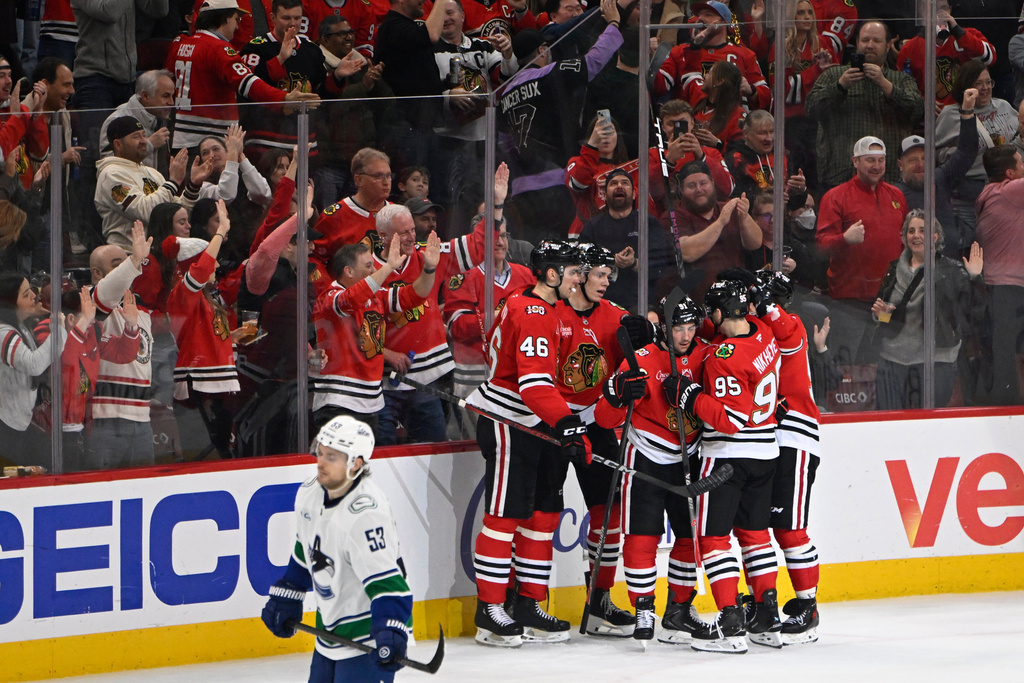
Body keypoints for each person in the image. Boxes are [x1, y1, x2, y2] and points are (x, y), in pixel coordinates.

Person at [466, 240, 588, 647]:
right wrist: (568, 422)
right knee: (504, 517)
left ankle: (528, 604)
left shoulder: (535, 305)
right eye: (572, 272)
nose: (579, 278)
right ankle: (489, 610)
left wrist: (561, 422)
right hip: (509, 420)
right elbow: (533, 384)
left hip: (535, 420)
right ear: (551, 275)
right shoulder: (534, 312)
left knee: (543, 515)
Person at [663, 278, 783, 653]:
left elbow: (729, 419)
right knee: (756, 535)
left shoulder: (722, 358)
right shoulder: (764, 334)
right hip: (767, 453)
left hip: (729, 458)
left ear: (718, 313)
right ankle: (766, 618)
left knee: (714, 539)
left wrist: (689, 395)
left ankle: (730, 623)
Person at [593, 293, 711, 644]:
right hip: (645, 458)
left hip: (690, 457)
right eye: (679, 328)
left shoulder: (706, 354)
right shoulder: (643, 358)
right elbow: (603, 417)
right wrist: (617, 393)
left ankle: (678, 608)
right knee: (642, 537)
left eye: (691, 327)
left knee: (690, 538)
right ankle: (643, 606)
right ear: (664, 326)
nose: (686, 336)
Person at [261, 416, 413, 682]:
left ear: (355, 463)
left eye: (331, 457)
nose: (320, 462)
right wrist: (290, 591)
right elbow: (305, 550)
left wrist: (391, 628)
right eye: (320, 453)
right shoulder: (309, 494)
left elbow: (389, 584)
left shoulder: (366, 514)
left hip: (367, 638)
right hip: (329, 633)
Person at [376, 164, 509, 445]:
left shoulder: (429, 254)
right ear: (383, 237)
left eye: (413, 229)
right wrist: (385, 353)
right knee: (382, 459)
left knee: (433, 451)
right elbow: (354, 323)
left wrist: (496, 205)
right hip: (381, 381)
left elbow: (478, 247)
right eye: (404, 232)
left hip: (428, 379)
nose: (413, 237)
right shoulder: (366, 268)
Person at [552, 243, 637, 637]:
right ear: (580, 273)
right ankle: (527, 600)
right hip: (550, 425)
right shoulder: (552, 313)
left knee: (610, 510)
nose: (606, 282)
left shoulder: (616, 317)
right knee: (539, 511)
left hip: (597, 425)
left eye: (609, 276)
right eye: (600, 274)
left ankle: (599, 598)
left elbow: (640, 361)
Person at [498, 0, 623, 244]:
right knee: (564, 251)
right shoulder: (548, 73)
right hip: (556, 181)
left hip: (522, 188)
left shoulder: (504, 95)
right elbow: (591, 63)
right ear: (542, 50)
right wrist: (614, 24)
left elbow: (505, 144)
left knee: (539, 250)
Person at [749, 270, 822, 644]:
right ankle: (762, 605)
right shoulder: (751, 334)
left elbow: (785, 330)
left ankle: (807, 608)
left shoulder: (790, 325)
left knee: (789, 528)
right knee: (754, 528)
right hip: (760, 440)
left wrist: (766, 304)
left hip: (795, 436)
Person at [312, 233, 440, 435]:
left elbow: (414, 296)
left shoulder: (376, 296)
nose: (374, 271)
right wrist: (389, 267)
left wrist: (429, 269)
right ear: (349, 271)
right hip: (339, 401)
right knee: (343, 465)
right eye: (368, 266)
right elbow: (352, 299)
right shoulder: (329, 297)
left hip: (372, 402)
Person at [165, 0, 319, 152]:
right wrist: (284, 98)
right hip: (211, 140)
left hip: (180, 136)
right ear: (223, 18)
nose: (238, 26)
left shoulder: (180, 43)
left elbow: (168, 80)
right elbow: (248, 84)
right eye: (236, 19)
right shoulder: (218, 49)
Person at [871, 210, 985, 410]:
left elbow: (973, 314)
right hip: (893, 361)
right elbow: (882, 318)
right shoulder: (893, 268)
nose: (916, 235)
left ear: (936, 236)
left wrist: (975, 278)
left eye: (923, 231)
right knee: (891, 426)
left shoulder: (953, 271)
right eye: (911, 231)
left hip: (936, 363)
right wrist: (882, 315)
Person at [815, 136, 908, 367]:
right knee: (846, 362)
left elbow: (905, 242)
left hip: (886, 300)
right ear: (855, 161)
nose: (876, 166)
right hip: (850, 301)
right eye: (870, 160)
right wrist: (844, 239)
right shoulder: (835, 196)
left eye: (881, 160)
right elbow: (821, 246)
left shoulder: (896, 196)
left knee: (880, 358)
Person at [805, 20, 923, 191]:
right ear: (857, 43)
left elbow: (917, 110)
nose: (870, 45)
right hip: (840, 176)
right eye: (865, 40)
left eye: (877, 41)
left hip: (889, 178)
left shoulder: (901, 79)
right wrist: (840, 86)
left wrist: (885, 85)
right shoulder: (834, 75)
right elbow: (811, 109)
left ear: (888, 45)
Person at [164, 199, 240, 456]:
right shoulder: (181, 294)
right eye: (211, 260)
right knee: (204, 458)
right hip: (198, 389)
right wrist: (220, 232)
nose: (217, 266)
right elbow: (200, 270)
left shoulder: (208, 298)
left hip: (217, 387)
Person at [84, 223, 160, 470]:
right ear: (97, 273)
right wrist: (135, 260)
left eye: (128, 262)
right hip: (106, 420)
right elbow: (107, 293)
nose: (131, 270)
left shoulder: (140, 312)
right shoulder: (89, 303)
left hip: (142, 418)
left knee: (141, 496)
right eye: (118, 264)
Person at [240, 0, 350, 157]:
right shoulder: (255, 47)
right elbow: (249, 88)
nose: (292, 24)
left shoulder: (311, 49)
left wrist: (337, 76)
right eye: (286, 18)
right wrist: (280, 59)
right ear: (272, 18)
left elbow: (320, 96)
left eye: (297, 18)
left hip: (305, 143)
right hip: (263, 144)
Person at [935, 62, 1017, 257]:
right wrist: (962, 152)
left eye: (988, 82)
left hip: (1004, 187)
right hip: (968, 190)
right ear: (965, 85)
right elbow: (937, 154)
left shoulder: (1004, 106)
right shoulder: (951, 114)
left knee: (1000, 244)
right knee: (970, 247)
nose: (985, 88)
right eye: (978, 83)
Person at [443, 221, 533, 398]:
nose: (500, 242)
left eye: (504, 236)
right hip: (474, 374)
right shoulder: (462, 278)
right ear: (478, 243)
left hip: (516, 373)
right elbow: (457, 327)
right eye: (493, 237)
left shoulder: (525, 275)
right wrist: (501, 316)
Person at [95, 116, 207, 249]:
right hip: (128, 255)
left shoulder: (152, 173)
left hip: (159, 254)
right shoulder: (111, 175)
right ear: (118, 145)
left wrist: (193, 186)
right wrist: (173, 182)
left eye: (144, 135)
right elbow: (147, 213)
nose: (144, 141)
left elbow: (176, 214)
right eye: (136, 137)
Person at [577, 168, 679, 314]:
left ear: (634, 194)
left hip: (642, 305)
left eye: (625, 183)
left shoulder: (649, 223)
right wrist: (610, 261)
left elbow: (662, 267)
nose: (619, 186)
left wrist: (634, 263)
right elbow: (581, 266)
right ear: (605, 195)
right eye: (613, 183)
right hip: (601, 305)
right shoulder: (592, 227)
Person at [894, 88, 979, 259]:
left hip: (948, 266)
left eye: (925, 158)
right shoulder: (893, 194)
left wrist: (967, 113)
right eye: (912, 160)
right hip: (912, 270)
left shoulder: (940, 178)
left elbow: (967, 151)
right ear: (900, 165)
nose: (920, 164)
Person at [972, 145, 1024, 405]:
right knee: (1003, 352)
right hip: (1007, 288)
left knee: (1002, 349)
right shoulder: (1010, 191)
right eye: (1021, 165)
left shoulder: (991, 192)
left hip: (1000, 287)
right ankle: (1005, 408)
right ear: (1010, 173)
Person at [653, 0, 771, 112]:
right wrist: (649, 58)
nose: (700, 19)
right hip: (689, 123)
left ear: (724, 22)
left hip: (730, 124)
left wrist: (751, 90)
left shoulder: (745, 55)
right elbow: (658, 88)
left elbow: (766, 97)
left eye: (708, 15)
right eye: (699, 15)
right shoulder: (679, 51)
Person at [0, 271, 65, 467]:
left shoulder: (19, 326)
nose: (33, 297)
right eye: (26, 294)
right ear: (11, 301)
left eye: (32, 291)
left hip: (18, 421)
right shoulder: (3, 333)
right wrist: (59, 329)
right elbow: (34, 365)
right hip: (5, 424)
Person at [673, 161, 763, 302]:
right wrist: (720, 222)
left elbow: (755, 243)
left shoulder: (729, 209)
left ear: (712, 183)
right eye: (691, 185)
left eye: (703, 183)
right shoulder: (675, 216)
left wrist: (744, 217)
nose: (699, 189)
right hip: (698, 301)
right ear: (681, 190)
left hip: (736, 298)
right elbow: (687, 253)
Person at [896, 0, 994, 111]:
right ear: (923, 12)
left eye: (943, 8)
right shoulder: (910, 47)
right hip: (931, 118)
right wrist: (921, 102)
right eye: (933, 9)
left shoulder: (969, 35)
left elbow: (990, 59)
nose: (940, 14)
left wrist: (958, 31)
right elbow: (903, 87)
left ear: (950, 9)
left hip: (970, 110)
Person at [314, 147, 394, 270]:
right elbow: (315, 260)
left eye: (388, 176)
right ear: (359, 179)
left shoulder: (398, 214)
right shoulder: (334, 216)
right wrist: (331, 289)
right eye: (378, 176)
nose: (386, 182)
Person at [98, 70, 176, 169]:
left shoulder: (162, 119)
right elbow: (108, 164)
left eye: (172, 96)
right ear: (145, 96)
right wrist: (149, 144)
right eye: (166, 96)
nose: (171, 102)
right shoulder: (117, 120)